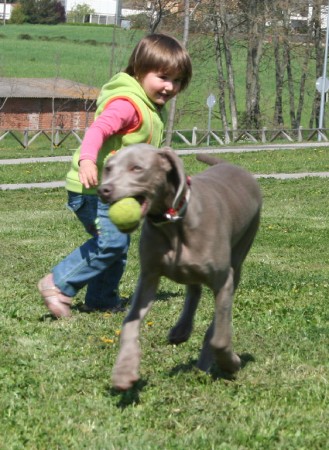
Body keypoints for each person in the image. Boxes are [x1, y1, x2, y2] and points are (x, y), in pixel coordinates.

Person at [37, 33, 192, 318]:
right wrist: (86, 161)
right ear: (140, 70)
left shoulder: (149, 107)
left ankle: (101, 300)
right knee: (111, 243)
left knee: (117, 247)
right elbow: (98, 130)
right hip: (94, 189)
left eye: (178, 80)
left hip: (115, 191)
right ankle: (57, 283)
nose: (171, 87)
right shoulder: (128, 104)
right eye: (163, 77)